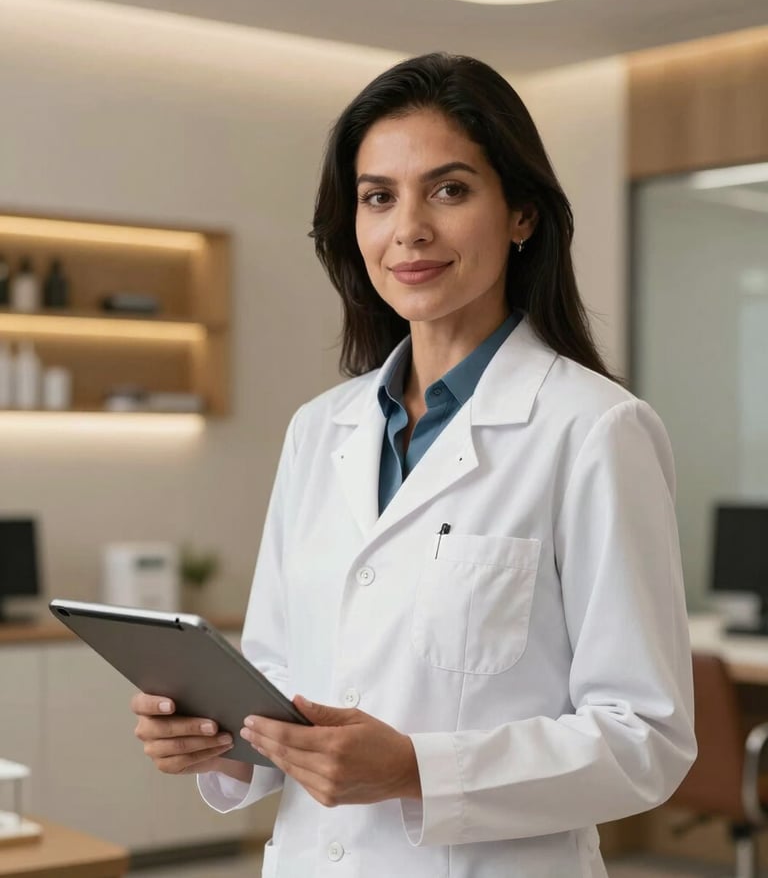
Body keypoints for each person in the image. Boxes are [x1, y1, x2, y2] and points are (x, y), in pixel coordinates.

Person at [131, 52, 696, 877]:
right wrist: (220, 740)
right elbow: (283, 674)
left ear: (522, 215)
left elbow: (646, 735)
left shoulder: (596, 429)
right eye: (378, 197)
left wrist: (418, 771)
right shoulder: (320, 429)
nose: (409, 230)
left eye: (450, 189)